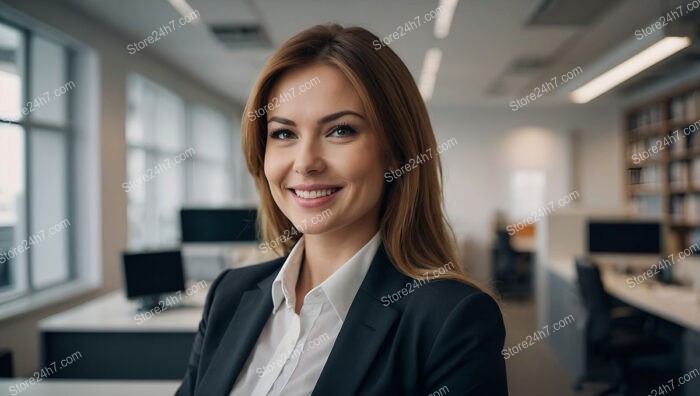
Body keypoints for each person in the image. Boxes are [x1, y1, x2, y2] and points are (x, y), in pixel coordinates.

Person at [175, 23, 507, 396]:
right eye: (284, 133)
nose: (305, 163)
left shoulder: (450, 320)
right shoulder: (229, 294)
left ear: (395, 152)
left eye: (340, 131)